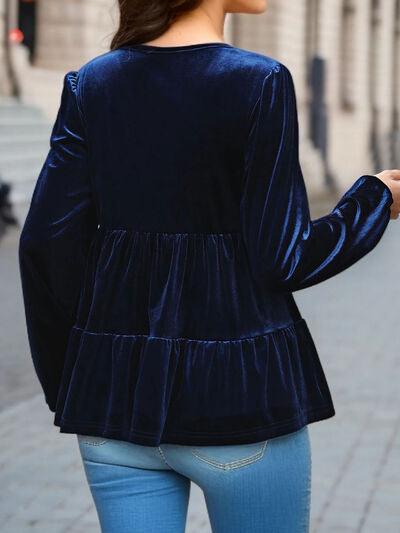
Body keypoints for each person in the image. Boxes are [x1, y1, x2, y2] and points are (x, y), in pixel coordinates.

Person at [18, 0, 400, 531]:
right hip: (240, 400)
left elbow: (44, 246)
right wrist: (373, 201)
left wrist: (77, 385)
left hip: (115, 407)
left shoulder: (92, 84)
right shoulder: (258, 82)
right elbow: (284, 258)